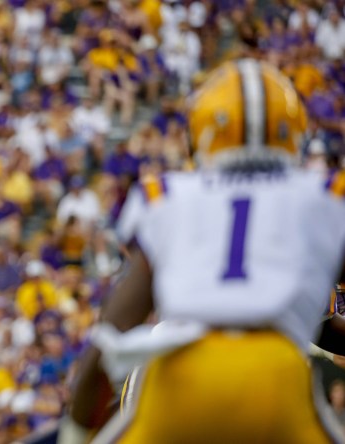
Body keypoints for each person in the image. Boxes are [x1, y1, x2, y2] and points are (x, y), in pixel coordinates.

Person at [59, 59, 345, 443]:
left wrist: (76, 430)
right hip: (276, 376)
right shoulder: (322, 196)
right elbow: (324, 327)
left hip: (179, 370)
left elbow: (113, 331)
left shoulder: (168, 195)